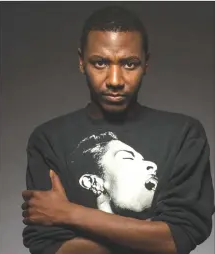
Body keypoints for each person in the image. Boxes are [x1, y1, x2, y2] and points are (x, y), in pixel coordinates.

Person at [21, 5, 214, 254]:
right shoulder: (48, 140)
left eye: (129, 64)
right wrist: (150, 236)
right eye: (100, 63)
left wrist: (69, 213)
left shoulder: (184, 134)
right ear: (81, 62)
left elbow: (177, 240)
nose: (114, 80)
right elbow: (50, 248)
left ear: (146, 63)